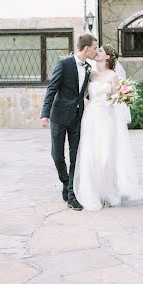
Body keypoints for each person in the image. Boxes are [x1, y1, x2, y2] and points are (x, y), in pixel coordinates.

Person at [73, 44, 143, 211]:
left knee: (105, 156)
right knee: (91, 155)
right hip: (91, 117)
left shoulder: (113, 76)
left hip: (107, 118)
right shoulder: (90, 75)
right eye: (96, 50)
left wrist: (123, 95)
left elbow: (118, 98)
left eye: (99, 51)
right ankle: (93, 193)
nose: (96, 52)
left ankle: (108, 191)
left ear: (107, 57)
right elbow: (83, 94)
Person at [40, 33, 98, 211]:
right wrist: (45, 114)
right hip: (58, 116)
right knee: (57, 155)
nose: (96, 51)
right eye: (94, 48)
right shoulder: (64, 64)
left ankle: (72, 194)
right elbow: (52, 88)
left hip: (78, 117)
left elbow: (87, 92)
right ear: (86, 48)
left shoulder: (89, 67)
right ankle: (65, 182)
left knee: (75, 157)